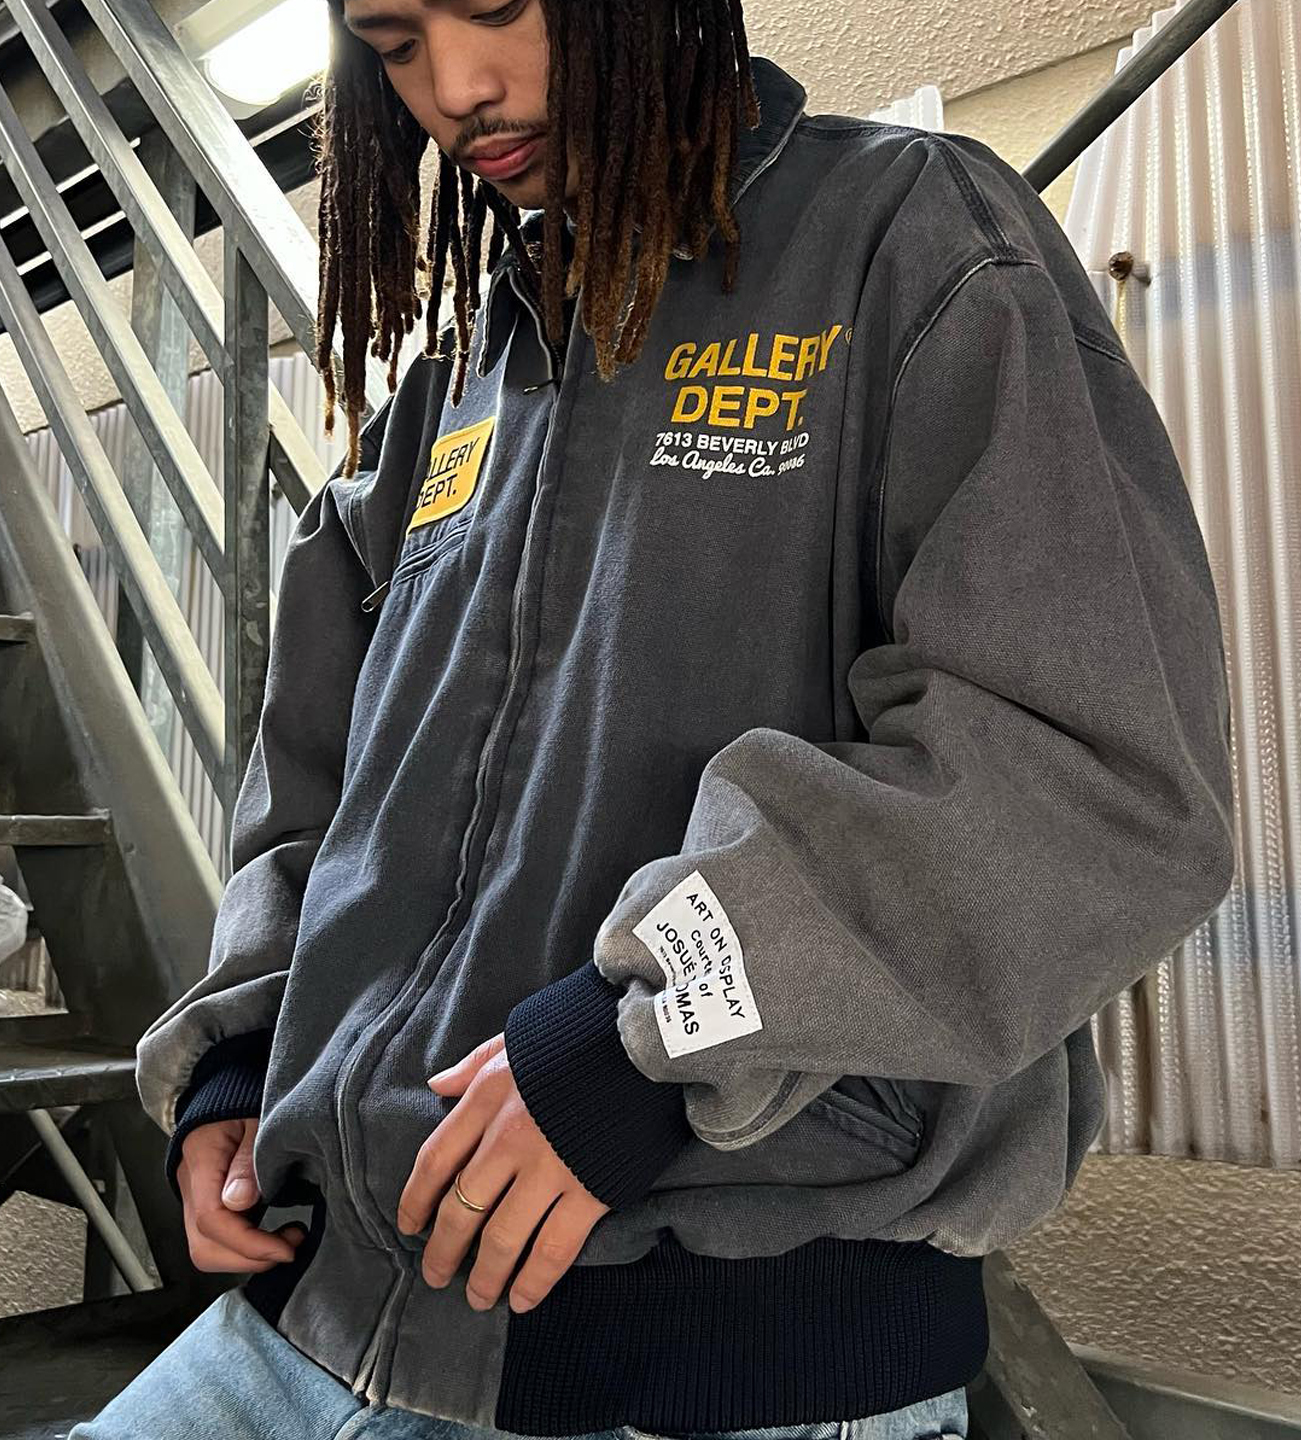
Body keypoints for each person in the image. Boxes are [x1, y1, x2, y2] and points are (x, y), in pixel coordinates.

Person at [76, 0, 1237, 1435]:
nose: (457, 88)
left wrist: (639, 1047)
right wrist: (245, 1054)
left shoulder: (907, 241)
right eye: (392, 42)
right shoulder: (452, 385)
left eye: (496, 8)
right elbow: (322, 786)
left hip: (722, 1358)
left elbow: (1090, 777)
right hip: (322, 1314)